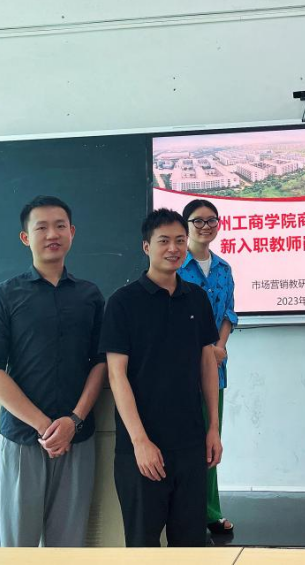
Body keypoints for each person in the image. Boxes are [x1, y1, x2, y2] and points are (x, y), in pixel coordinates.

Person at [0, 195, 106, 547]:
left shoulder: (90, 296)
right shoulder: (3, 296)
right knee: (16, 547)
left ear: (72, 232)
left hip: (77, 438)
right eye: (42, 227)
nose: (52, 234)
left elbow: (100, 362)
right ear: (25, 237)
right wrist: (45, 426)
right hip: (24, 438)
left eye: (60, 226)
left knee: (68, 546)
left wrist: (73, 421)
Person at [100, 208, 222, 547]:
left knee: (191, 544)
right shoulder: (123, 303)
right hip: (142, 449)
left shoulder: (196, 298)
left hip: (191, 445)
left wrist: (212, 427)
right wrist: (140, 442)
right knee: (143, 546)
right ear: (146, 247)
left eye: (180, 241)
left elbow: (207, 364)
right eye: (164, 241)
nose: (173, 248)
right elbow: (117, 376)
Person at [177, 198, 238, 536]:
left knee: (210, 442)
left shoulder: (224, 269)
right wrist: (203, 350)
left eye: (211, 220)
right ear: (186, 225)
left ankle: (210, 512)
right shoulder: (175, 265)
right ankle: (187, 513)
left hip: (215, 367)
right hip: (181, 368)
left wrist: (218, 348)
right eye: (198, 221)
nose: (205, 226)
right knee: (185, 443)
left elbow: (229, 313)